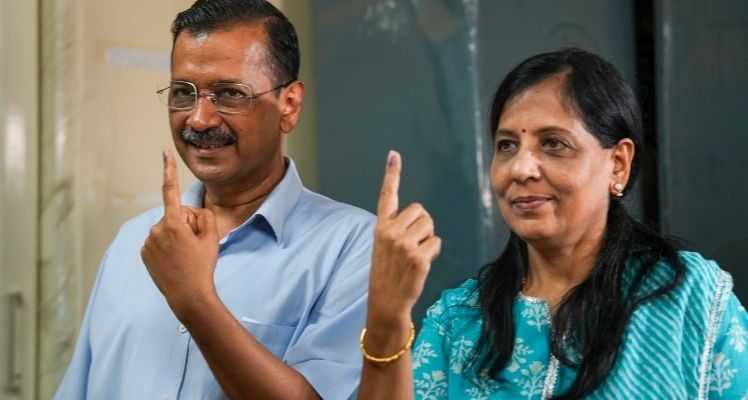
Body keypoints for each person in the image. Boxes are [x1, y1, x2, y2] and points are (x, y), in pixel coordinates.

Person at [358, 48, 748, 399]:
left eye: (554, 144)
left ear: (618, 164)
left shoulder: (688, 299)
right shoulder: (459, 319)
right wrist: (386, 319)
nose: (521, 168)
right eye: (507, 145)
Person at [54, 1, 374, 399]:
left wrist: (193, 300)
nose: (199, 119)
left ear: (288, 105)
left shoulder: (352, 244)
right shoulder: (134, 241)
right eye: (183, 93)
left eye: (229, 94)